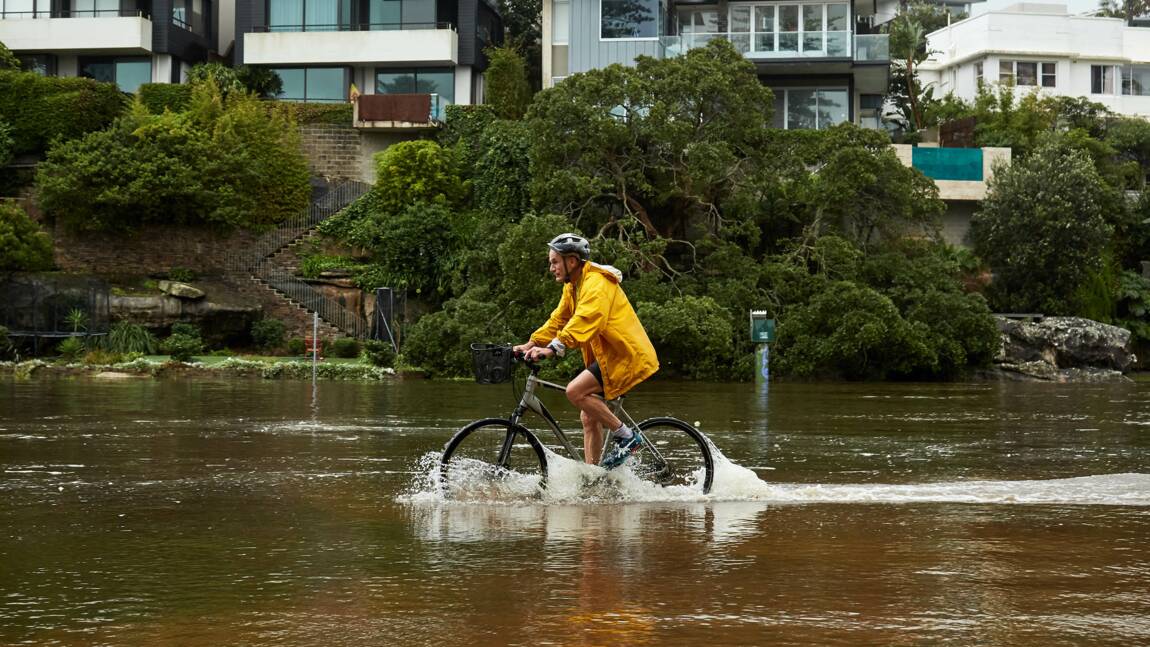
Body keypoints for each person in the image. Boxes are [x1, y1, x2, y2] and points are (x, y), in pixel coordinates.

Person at [512, 233, 659, 469]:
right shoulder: (573, 287)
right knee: (588, 416)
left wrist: (553, 348)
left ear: (571, 261)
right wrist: (531, 343)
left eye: (554, 262)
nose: (551, 268)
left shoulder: (596, 283)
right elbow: (559, 320)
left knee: (575, 392)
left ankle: (627, 436)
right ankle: (594, 477)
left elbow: (585, 318)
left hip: (624, 354)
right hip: (608, 356)